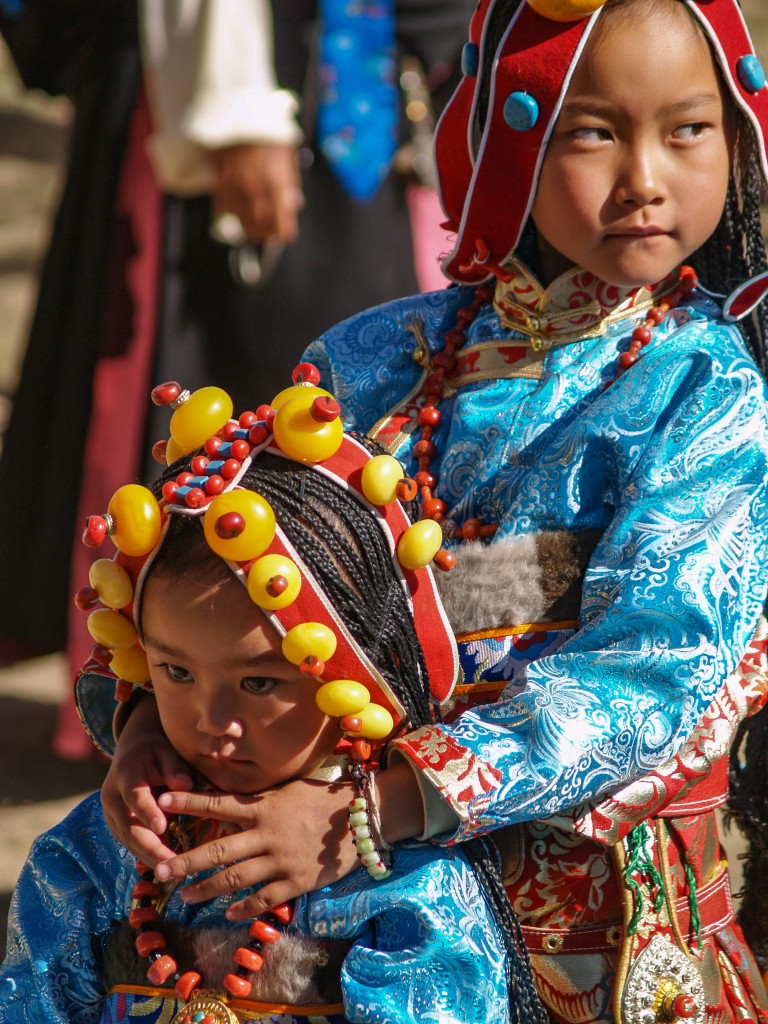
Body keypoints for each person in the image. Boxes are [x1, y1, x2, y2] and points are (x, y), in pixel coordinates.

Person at [62, 0, 768, 1020]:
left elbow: (653, 666)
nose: (647, 179)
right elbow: (219, 566)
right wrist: (144, 722)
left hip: (582, 931)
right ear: (504, 129)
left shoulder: (706, 391)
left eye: (688, 129)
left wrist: (377, 809)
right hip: (324, 908)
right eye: (595, 130)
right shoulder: (367, 359)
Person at [0, 0, 472, 758]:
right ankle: (190, 695)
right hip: (264, 84)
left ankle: (364, 687)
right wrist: (239, 113)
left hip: (373, 83)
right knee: (266, 404)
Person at [0, 375, 549, 1024]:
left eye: (259, 682)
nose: (212, 723)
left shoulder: (410, 892)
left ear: (363, 670)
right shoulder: (97, 850)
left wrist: (384, 806)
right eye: (175, 671)